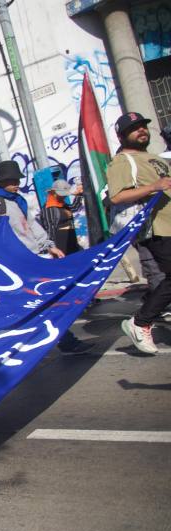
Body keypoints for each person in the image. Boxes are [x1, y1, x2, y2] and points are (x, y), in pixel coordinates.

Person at [0, 161, 93, 355]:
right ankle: (52, 343)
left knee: (42, 302)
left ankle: (63, 341)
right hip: (15, 263)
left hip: (32, 257)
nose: (16, 183)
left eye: (17, 179)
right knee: (37, 303)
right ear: (1, 181)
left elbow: (32, 225)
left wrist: (49, 245)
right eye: (11, 180)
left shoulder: (18, 200)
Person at [106, 112, 171, 354]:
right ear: (122, 136)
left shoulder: (153, 158)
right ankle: (140, 322)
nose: (141, 131)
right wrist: (153, 186)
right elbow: (116, 196)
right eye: (134, 129)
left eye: (143, 126)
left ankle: (143, 320)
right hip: (158, 230)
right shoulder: (123, 162)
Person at [38, 179, 84, 256]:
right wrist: (52, 247)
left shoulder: (62, 204)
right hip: (60, 242)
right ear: (54, 193)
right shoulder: (49, 208)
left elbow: (73, 208)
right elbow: (50, 228)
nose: (64, 196)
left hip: (70, 239)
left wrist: (78, 195)